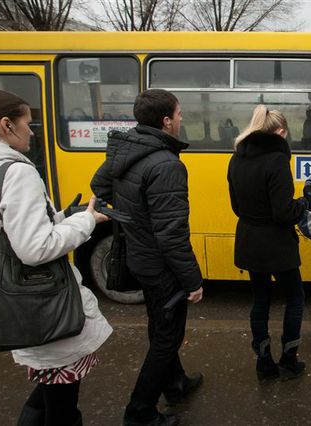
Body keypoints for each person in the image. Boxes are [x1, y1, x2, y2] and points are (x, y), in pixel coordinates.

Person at [0, 89, 113, 426]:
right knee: (61, 406)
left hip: (10, 297)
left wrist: (62, 216)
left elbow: (8, 230)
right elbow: (35, 249)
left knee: (47, 394)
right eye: (27, 123)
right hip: (42, 305)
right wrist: (86, 220)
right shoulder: (17, 171)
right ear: (6, 125)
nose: (32, 131)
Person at [91, 89, 203, 426]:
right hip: (160, 266)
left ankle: (176, 383)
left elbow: (100, 187)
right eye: (179, 114)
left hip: (139, 258)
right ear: (166, 121)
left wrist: (132, 217)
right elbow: (171, 234)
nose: (182, 119)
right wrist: (193, 280)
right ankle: (139, 412)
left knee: (161, 327)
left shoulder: (127, 148)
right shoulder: (166, 164)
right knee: (166, 337)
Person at [227, 105, 308, 381]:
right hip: (277, 244)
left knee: (260, 300)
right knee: (295, 298)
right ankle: (289, 359)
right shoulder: (276, 161)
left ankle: (263, 363)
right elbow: (283, 213)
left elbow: (236, 207)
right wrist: (304, 204)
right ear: (281, 132)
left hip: (249, 240)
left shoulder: (236, 159)